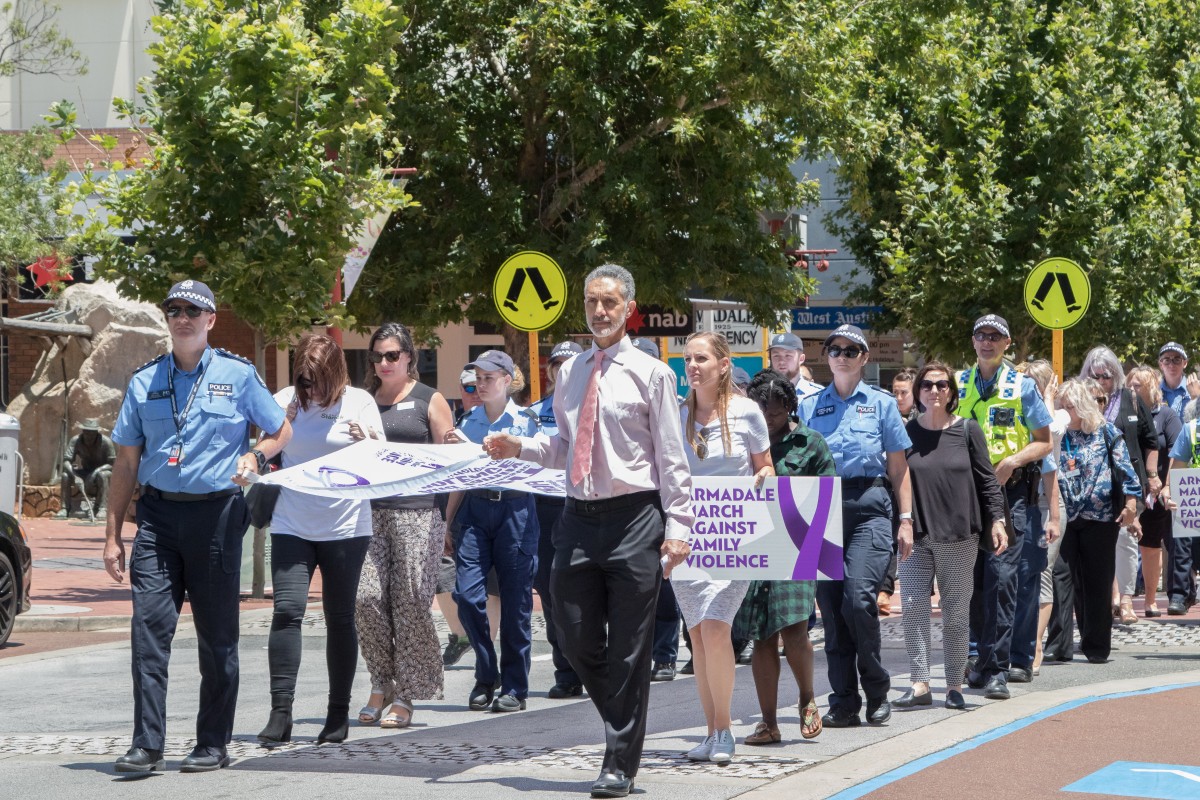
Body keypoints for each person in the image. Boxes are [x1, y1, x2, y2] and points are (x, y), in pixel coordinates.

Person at [484, 263, 692, 799]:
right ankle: (626, 714)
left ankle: (618, 763)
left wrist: (678, 528)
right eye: (592, 301)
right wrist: (520, 447)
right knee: (572, 635)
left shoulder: (653, 374)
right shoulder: (571, 371)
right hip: (578, 518)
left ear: (628, 308)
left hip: (636, 518)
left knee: (629, 648)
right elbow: (564, 448)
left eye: (609, 302)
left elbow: (671, 459)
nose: (599, 311)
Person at [104, 279, 291, 773]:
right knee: (148, 633)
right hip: (159, 518)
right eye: (174, 310)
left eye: (193, 310)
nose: (182, 318)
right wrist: (111, 537)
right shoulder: (144, 381)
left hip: (218, 515)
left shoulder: (239, 373)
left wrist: (255, 455)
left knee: (217, 638)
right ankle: (147, 744)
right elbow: (125, 464)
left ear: (210, 320)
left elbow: (279, 429)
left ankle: (212, 742)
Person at [256, 334, 384, 746]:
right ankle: (281, 713)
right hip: (292, 522)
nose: (309, 390)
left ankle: (336, 713)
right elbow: (264, 450)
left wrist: (369, 442)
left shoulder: (360, 402)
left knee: (340, 617)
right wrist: (284, 422)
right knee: (287, 611)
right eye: (303, 381)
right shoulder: (284, 402)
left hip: (345, 527)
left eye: (316, 382)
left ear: (335, 375)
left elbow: (382, 462)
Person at [798, 324, 912, 728]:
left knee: (858, 600)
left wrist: (906, 520)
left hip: (869, 506)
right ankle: (843, 700)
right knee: (830, 610)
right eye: (835, 349)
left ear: (864, 358)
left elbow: (899, 468)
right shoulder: (809, 407)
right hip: (823, 509)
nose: (842, 356)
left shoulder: (881, 404)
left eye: (851, 350)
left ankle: (877, 689)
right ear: (826, 357)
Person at [674, 332, 773, 764]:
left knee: (716, 628)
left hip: (734, 536)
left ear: (723, 364)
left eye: (700, 358)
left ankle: (727, 729)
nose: (692, 366)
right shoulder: (674, 416)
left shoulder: (749, 413)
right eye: (687, 359)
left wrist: (765, 477)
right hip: (685, 538)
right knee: (697, 637)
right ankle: (711, 729)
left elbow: (765, 464)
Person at [354, 323, 455, 728]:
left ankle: (407, 693)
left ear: (409, 357)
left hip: (419, 512)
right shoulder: (362, 403)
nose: (383, 363)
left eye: (392, 355)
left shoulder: (428, 399)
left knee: (411, 599)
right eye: (377, 356)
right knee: (366, 598)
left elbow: (450, 453)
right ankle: (381, 682)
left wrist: (446, 519)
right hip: (370, 511)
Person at [897, 362, 1007, 710]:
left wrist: (998, 520)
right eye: (927, 385)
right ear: (917, 392)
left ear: (952, 392)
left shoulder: (967, 430)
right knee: (913, 608)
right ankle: (919, 683)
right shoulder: (905, 433)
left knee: (956, 614)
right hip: (916, 534)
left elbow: (988, 479)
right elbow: (896, 478)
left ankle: (955, 686)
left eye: (941, 385)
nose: (934, 391)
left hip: (960, 535)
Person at [955, 314, 1052, 701]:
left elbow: (1043, 440)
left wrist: (1013, 461)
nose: (987, 342)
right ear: (973, 340)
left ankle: (998, 667)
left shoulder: (1022, 386)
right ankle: (978, 659)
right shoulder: (958, 383)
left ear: (1007, 343)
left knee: (1002, 577)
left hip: (1009, 492)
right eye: (981, 335)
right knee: (973, 581)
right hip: (965, 494)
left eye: (995, 336)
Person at [736, 370, 835, 743]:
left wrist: (818, 551)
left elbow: (826, 496)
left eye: (776, 413)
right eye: (762, 412)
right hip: (753, 544)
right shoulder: (742, 442)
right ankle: (768, 722)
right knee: (761, 635)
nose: (768, 419)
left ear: (790, 408)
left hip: (797, 543)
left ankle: (807, 699)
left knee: (794, 628)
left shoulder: (810, 443)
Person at [446, 350, 540, 714]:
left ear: (506, 380)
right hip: (474, 509)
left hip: (516, 509)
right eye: (476, 379)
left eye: (487, 378)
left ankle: (514, 686)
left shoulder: (526, 421)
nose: (480, 385)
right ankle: (487, 673)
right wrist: (448, 523)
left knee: (516, 602)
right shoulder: (467, 422)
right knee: (467, 595)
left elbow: (542, 466)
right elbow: (459, 477)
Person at [1054, 378, 1141, 663]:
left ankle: (1096, 645)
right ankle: (1060, 644)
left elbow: (1126, 470)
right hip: (1065, 515)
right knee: (1060, 579)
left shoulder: (1106, 431)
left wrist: (1130, 504)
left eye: (1071, 406)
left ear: (1083, 406)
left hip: (1100, 517)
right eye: (1061, 406)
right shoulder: (1056, 433)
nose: (1066, 412)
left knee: (1097, 581)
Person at [526, 339, 586, 699]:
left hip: (583, 506)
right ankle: (566, 672)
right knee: (551, 593)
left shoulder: (592, 407)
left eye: (569, 363)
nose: (561, 369)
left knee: (589, 591)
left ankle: (594, 662)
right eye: (556, 363)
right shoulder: (533, 412)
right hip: (545, 509)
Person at [1080, 346, 1156, 626]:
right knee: (1101, 543)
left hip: (1128, 483)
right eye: (1095, 375)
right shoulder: (1082, 402)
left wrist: (1151, 475)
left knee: (1125, 540)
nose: (1102, 381)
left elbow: (1150, 440)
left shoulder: (1131, 399)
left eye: (1107, 376)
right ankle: (1111, 596)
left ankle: (1125, 599)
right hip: (1092, 487)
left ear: (1117, 375)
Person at [1019, 361, 1069, 673]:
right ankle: (1020, 641)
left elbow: (1050, 433)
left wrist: (1047, 399)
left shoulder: (1059, 414)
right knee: (1020, 573)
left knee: (1043, 571)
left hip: (1049, 501)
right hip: (1021, 499)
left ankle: (1035, 643)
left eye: (1026, 383)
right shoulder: (1017, 412)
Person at [1126, 365, 1182, 617]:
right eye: (1130, 384)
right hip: (1126, 488)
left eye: (1137, 385)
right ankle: (1120, 599)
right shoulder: (1122, 412)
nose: (1132, 389)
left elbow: (1176, 451)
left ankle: (1150, 600)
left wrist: (1166, 484)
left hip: (1156, 491)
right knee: (1121, 543)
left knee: (1150, 545)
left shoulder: (1167, 415)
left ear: (1150, 388)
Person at [58, 418, 116, 518]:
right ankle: (65, 508)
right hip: (85, 472)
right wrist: (75, 476)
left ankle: (103, 509)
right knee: (65, 475)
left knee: (103, 475)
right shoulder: (75, 440)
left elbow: (112, 464)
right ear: (83, 431)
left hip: (101, 472)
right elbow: (66, 461)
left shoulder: (106, 442)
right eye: (87, 433)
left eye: (92, 433)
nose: (89, 436)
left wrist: (96, 472)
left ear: (97, 433)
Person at [768, 332, 822, 397]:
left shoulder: (818, 395)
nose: (781, 361)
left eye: (788, 355)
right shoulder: (761, 394)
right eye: (776, 355)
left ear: (801, 359)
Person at [1158, 343, 1193, 419]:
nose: (1171, 365)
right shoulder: (1154, 392)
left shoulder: (1194, 390)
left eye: (1177, 360)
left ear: (1185, 363)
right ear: (1161, 365)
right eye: (1167, 360)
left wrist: (1196, 398)